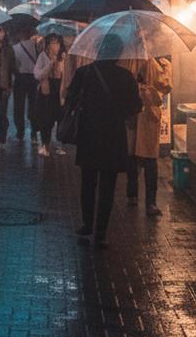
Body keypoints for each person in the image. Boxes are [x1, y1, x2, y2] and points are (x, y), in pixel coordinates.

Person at [64, 34, 142, 247]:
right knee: (108, 186)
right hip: (113, 136)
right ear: (118, 54)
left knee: (88, 182)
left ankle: (87, 224)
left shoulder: (84, 73)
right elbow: (135, 107)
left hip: (89, 134)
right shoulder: (126, 77)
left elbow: (70, 99)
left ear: (98, 50)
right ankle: (101, 233)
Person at [126, 56, 172, 216]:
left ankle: (132, 195)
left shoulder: (126, 60)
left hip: (131, 115)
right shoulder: (151, 62)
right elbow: (166, 86)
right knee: (150, 160)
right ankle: (150, 203)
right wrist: (168, 68)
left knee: (132, 156)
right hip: (148, 116)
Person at [32, 34, 65, 156]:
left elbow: (66, 75)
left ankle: (60, 144)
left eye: (57, 43)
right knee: (46, 119)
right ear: (48, 45)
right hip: (46, 91)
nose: (55, 46)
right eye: (53, 43)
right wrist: (50, 64)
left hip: (59, 90)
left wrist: (61, 65)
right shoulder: (42, 56)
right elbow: (37, 75)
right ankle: (45, 144)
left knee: (60, 118)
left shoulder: (63, 57)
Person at [10, 31, 39, 140]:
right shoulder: (36, 46)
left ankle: (20, 131)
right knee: (34, 105)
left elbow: (15, 65)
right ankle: (34, 132)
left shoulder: (15, 48)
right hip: (34, 78)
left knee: (19, 106)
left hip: (20, 78)